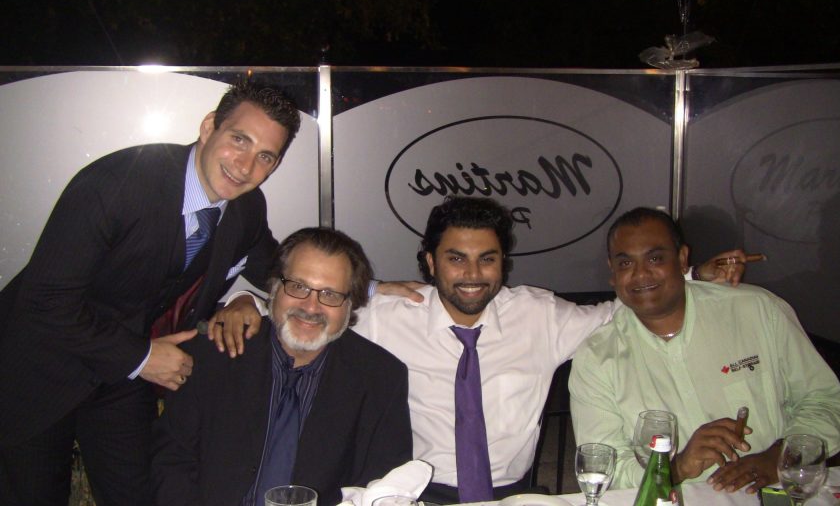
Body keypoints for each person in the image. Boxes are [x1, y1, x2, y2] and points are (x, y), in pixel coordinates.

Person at [217, 196, 745, 504]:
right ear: (430, 262)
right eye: (456, 259)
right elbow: (310, 308)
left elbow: (622, 309)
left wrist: (694, 277)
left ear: (503, 264)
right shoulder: (387, 315)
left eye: (487, 259)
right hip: (417, 493)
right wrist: (245, 302)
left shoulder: (540, 315)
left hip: (514, 496)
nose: (472, 274)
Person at [0, 82, 300, 505]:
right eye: (239, 139)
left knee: (140, 495)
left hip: (120, 377)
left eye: (266, 156)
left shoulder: (246, 208)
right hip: (40, 365)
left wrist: (246, 298)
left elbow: (279, 272)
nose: (246, 165)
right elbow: (44, 301)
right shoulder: (116, 184)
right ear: (209, 127)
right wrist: (141, 357)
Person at [569, 207, 840, 493]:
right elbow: (604, 469)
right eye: (625, 263)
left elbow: (824, 400)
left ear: (682, 259)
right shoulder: (597, 358)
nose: (641, 273)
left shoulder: (757, 311)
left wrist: (781, 457)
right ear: (612, 272)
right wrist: (677, 468)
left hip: (775, 490)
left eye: (655, 258)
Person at [151, 227, 412, 506]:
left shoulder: (380, 378)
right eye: (298, 287)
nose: (311, 307)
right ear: (274, 287)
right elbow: (172, 461)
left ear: (350, 305)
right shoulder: (215, 353)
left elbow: (383, 486)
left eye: (330, 294)